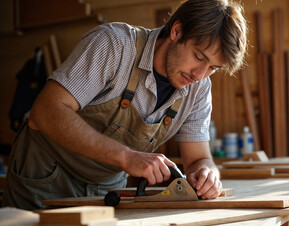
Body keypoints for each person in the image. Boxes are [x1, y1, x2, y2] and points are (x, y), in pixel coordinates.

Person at [3, 0, 247, 210]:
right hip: (46, 177)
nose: (199, 74)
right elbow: (45, 112)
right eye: (199, 57)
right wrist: (127, 157)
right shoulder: (114, 45)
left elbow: (198, 159)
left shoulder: (199, 88)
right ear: (177, 31)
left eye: (213, 68)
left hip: (106, 189)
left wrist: (208, 175)